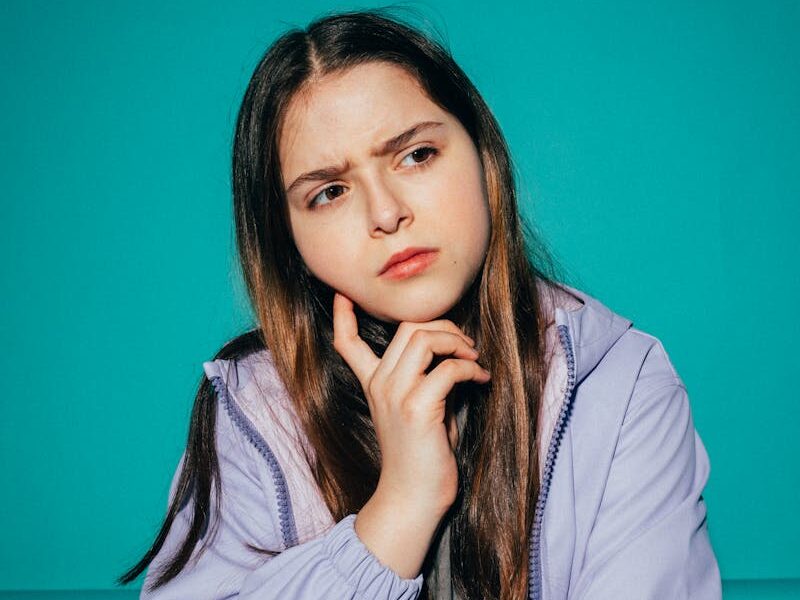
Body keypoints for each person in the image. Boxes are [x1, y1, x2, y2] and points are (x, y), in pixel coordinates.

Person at [117, 8, 722, 599]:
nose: (386, 214)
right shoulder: (257, 410)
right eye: (330, 192)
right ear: (289, 240)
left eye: (416, 155)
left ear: (485, 158)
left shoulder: (620, 383)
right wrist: (399, 509)